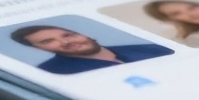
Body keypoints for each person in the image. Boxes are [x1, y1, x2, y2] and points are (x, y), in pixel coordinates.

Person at [10, 25, 172, 74]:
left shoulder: (154, 49)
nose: (65, 42)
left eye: (69, 35)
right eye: (47, 41)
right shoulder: (51, 73)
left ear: (84, 32)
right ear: (38, 48)